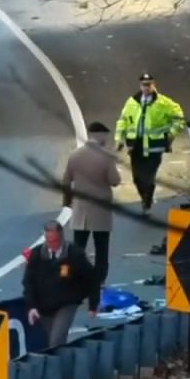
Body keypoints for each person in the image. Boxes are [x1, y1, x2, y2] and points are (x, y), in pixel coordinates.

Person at [114, 73, 185, 216]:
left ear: (154, 85)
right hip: (135, 145)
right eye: (144, 85)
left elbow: (179, 119)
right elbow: (123, 120)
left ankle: (147, 201)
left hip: (155, 145)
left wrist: (170, 134)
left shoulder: (164, 103)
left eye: (149, 84)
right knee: (137, 177)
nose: (147, 87)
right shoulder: (132, 102)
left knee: (149, 175)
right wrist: (119, 139)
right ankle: (145, 197)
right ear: (140, 86)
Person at [22, 220, 100, 348]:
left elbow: (91, 278)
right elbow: (28, 282)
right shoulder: (36, 255)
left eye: (55, 241)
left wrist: (93, 304)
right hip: (44, 305)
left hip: (67, 303)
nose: (52, 245)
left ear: (61, 237)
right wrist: (31, 306)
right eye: (49, 241)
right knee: (51, 342)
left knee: (56, 341)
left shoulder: (74, 254)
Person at [62, 121, 122, 285]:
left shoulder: (74, 155)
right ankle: (99, 281)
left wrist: (67, 202)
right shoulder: (107, 156)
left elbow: (66, 181)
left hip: (81, 209)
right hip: (101, 210)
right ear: (101, 136)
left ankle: (77, 278)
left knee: (78, 248)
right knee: (101, 249)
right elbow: (114, 181)